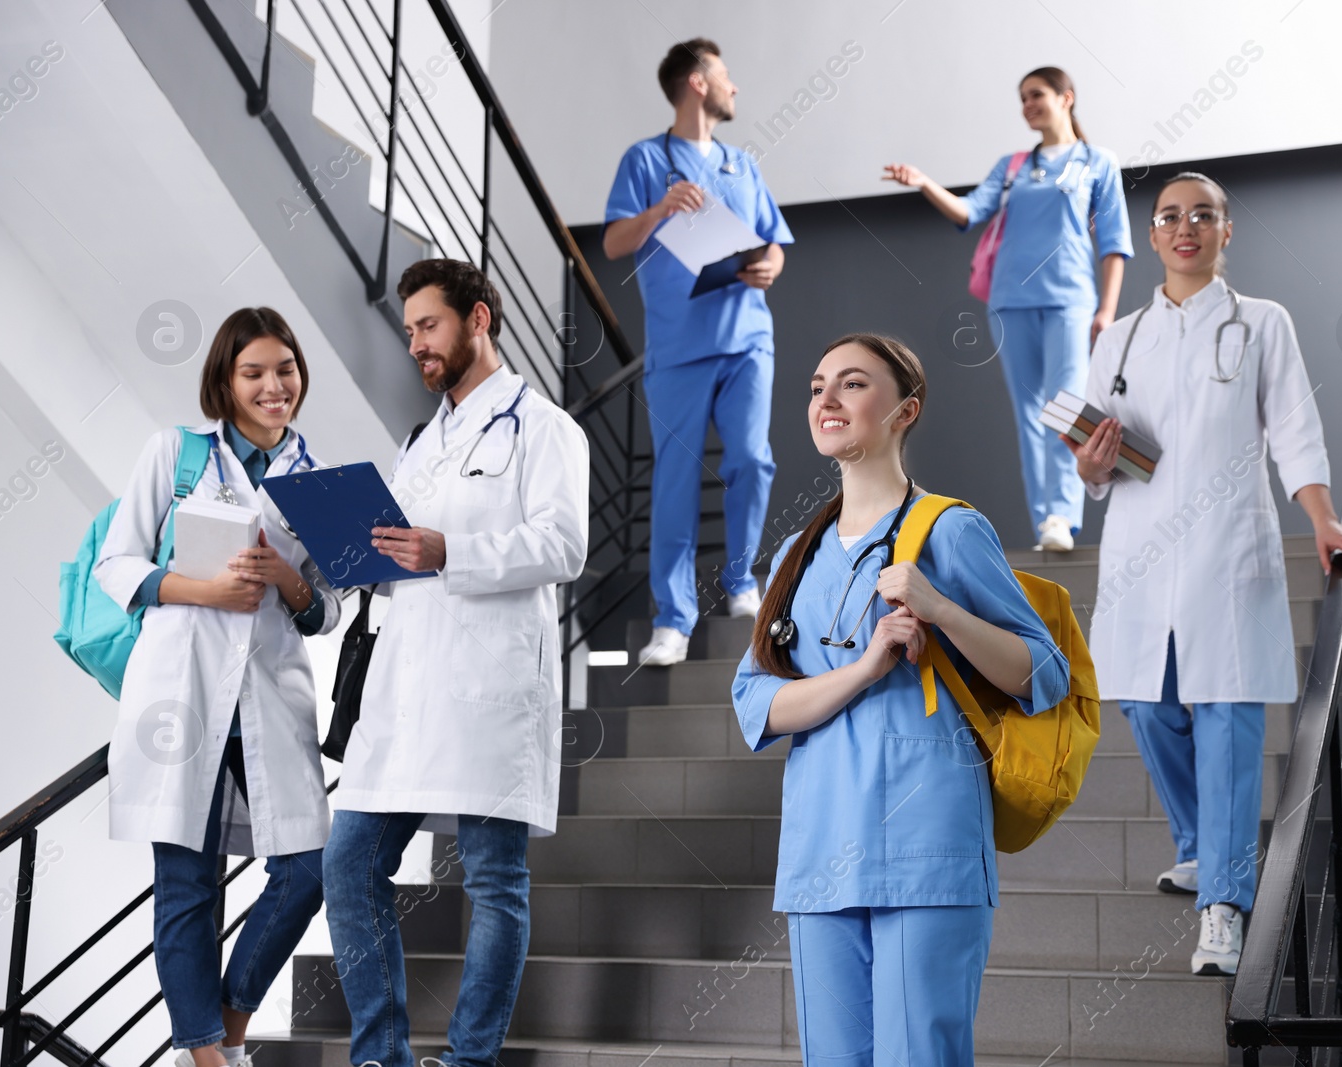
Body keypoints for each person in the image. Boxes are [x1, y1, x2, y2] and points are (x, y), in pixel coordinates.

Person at [731, 333, 1070, 1065]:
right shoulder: (797, 552)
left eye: (852, 385)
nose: (826, 400)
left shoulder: (950, 528)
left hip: (927, 846)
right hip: (822, 849)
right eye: (817, 386)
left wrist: (941, 609)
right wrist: (866, 666)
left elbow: (1043, 673)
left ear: (905, 409)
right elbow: (757, 703)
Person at [1069, 172, 1342, 976]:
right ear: (1155, 235)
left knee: (1229, 718)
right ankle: (1203, 845)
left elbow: (1296, 431)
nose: (1185, 226)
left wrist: (1323, 517)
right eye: (1169, 216)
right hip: (1141, 548)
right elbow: (1092, 454)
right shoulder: (1120, 337)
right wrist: (1093, 464)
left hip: (1226, 551)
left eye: (1203, 214)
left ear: (1226, 231)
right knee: (1145, 702)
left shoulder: (1261, 323)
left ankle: (1225, 907)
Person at [321, 258, 589, 1067]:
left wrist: (450, 550)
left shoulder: (545, 428)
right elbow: (408, 553)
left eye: (428, 326)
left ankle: (469, 1061)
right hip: (405, 689)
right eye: (408, 332)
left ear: (479, 319)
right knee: (349, 863)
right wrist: (366, 552)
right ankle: (384, 1054)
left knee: (494, 880)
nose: (416, 345)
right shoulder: (417, 442)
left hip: (489, 690)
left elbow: (564, 544)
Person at [94, 307, 340, 1067]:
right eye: (254, 372)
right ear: (225, 383)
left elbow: (328, 609)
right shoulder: (176, 454)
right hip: (185, 696)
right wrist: (206, 589)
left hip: (270, 698)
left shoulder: (323, 479)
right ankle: (206, 1057)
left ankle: (225, 1029)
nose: (274, 386)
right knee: (186, 883)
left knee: (308, 868)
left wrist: (289, 581)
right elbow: (116, 564)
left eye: (285, 369)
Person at [882, 65, 1131, 553]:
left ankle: (1063, 513)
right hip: (1011, 301)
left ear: (1067, 98)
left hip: (1071, 299)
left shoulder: (1098, 161)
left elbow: (1115, 241)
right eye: (1022, 98)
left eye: (1036, 94)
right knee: (1030, 412)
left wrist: (1107, 309)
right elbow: (969, 211)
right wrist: (925, 183)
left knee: (1067, 405)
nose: (1028, 105)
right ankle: (1045, 522)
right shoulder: (1013, 165)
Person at [603, 37, 794, 665]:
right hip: (680, 349)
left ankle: (741, 581)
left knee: (750, 459)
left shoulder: (745, 165)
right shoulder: (644, 159)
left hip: (746, 340)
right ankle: (673, 620)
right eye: (726, 75)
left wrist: (769, 265)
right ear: (697, 83)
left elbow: (775, 245)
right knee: (676, 483)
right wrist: (661, 208)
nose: (734, 86)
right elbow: (612, 243)